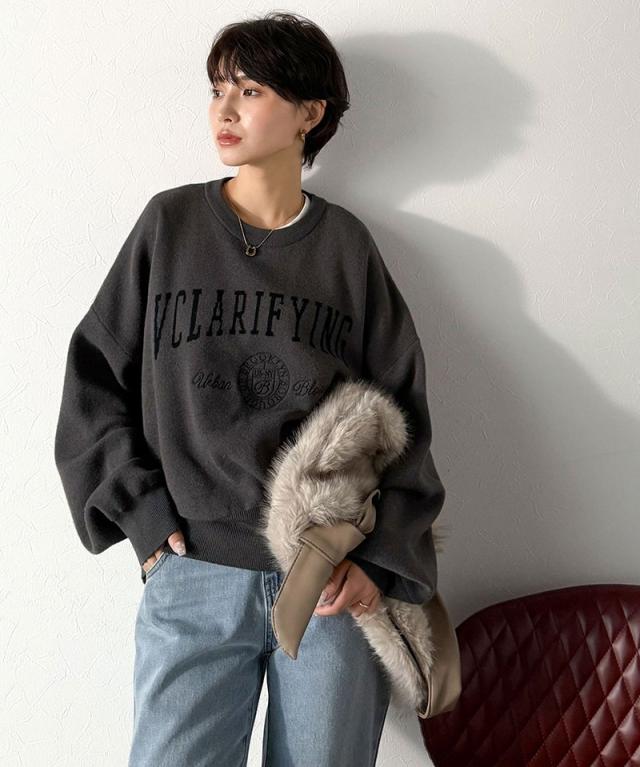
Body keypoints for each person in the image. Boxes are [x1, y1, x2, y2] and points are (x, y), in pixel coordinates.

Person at [54, 11, 446, 767]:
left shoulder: (346, 249)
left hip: (328, 581)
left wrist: (379, 562)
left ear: (310, 113)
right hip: (193, 571)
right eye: (217, 90)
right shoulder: (169, 226)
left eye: (251, 89)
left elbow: (403, 415)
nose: (224, 110)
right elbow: (92, 379)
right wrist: (144, 521)